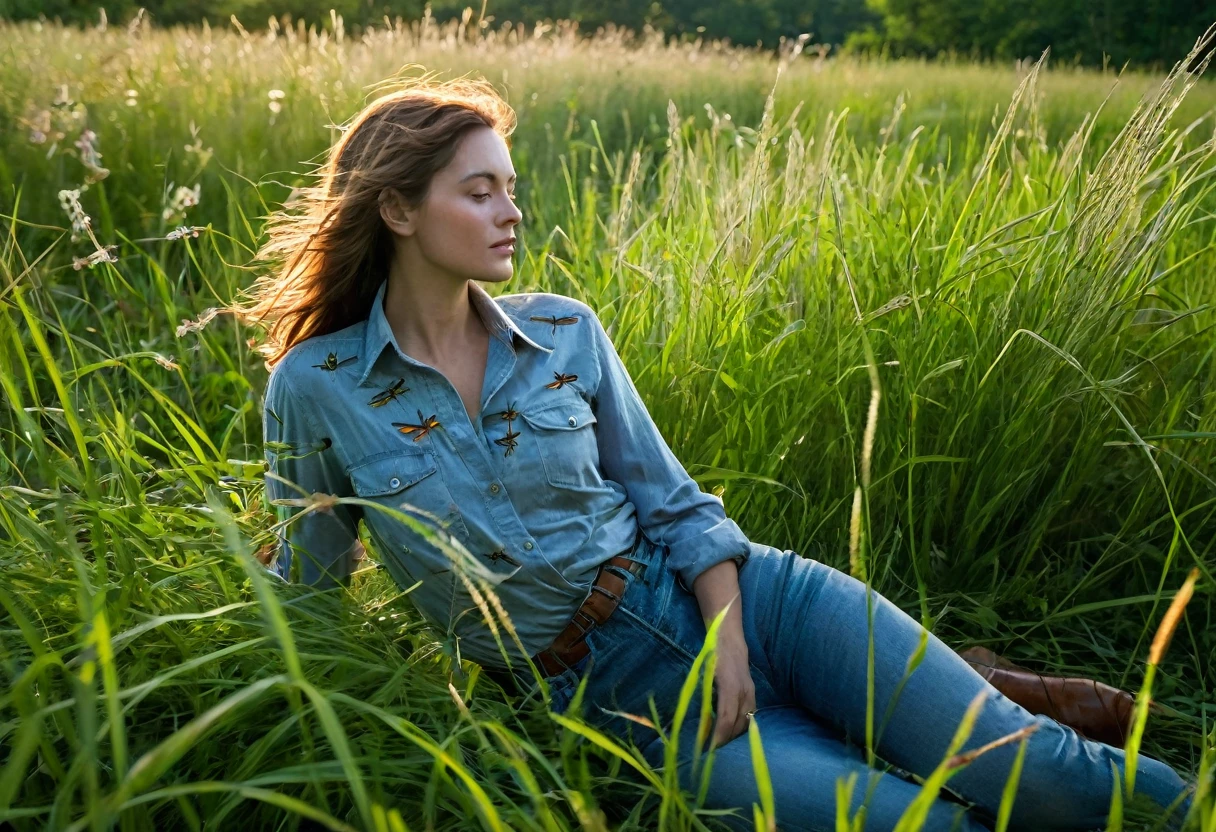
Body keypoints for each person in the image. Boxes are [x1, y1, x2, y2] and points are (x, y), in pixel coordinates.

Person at [240, 73, 1193, 831]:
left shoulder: (566, 331)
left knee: (1045, 780)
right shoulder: (318, 388)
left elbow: (678, 504)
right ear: (400, 212)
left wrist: (730, 642)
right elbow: (313, 581)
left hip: (759, 606)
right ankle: (973, 683)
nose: (510, 212)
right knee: (919, 824)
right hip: (623, 701)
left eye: (512, 189)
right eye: (478, 191)